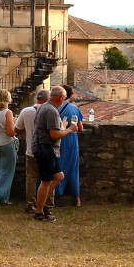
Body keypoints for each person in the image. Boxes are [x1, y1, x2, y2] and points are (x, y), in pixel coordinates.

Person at [32, 86, 81, 222]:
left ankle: (41, 205)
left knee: (59, 176)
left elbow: (53, 130)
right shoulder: (51, 110)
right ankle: (39, 212)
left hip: (44, 148)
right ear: (61, 97)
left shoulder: (46, 107)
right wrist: (70, 129)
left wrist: (63, 127)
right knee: (46, 181)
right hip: (45, 149)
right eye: (64, 98)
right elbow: (54, 135)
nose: (65, 101)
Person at [15, 89, 54, 215]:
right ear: (47, 100)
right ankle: (47, 205)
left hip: (31, 150)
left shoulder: (26, 111)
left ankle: (30, 204)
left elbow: (16, 128)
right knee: (48, 179)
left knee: (31, 178)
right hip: (47, 150)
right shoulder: (51, 111)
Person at [56, 84, 84, 207]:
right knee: (72, 168)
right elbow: (80, 128)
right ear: (70, 96)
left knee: (57, 167)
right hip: (71, 140)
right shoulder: (74, 108)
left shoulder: (53, 107)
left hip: (57, 139)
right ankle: (76, 198)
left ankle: (55, 195)